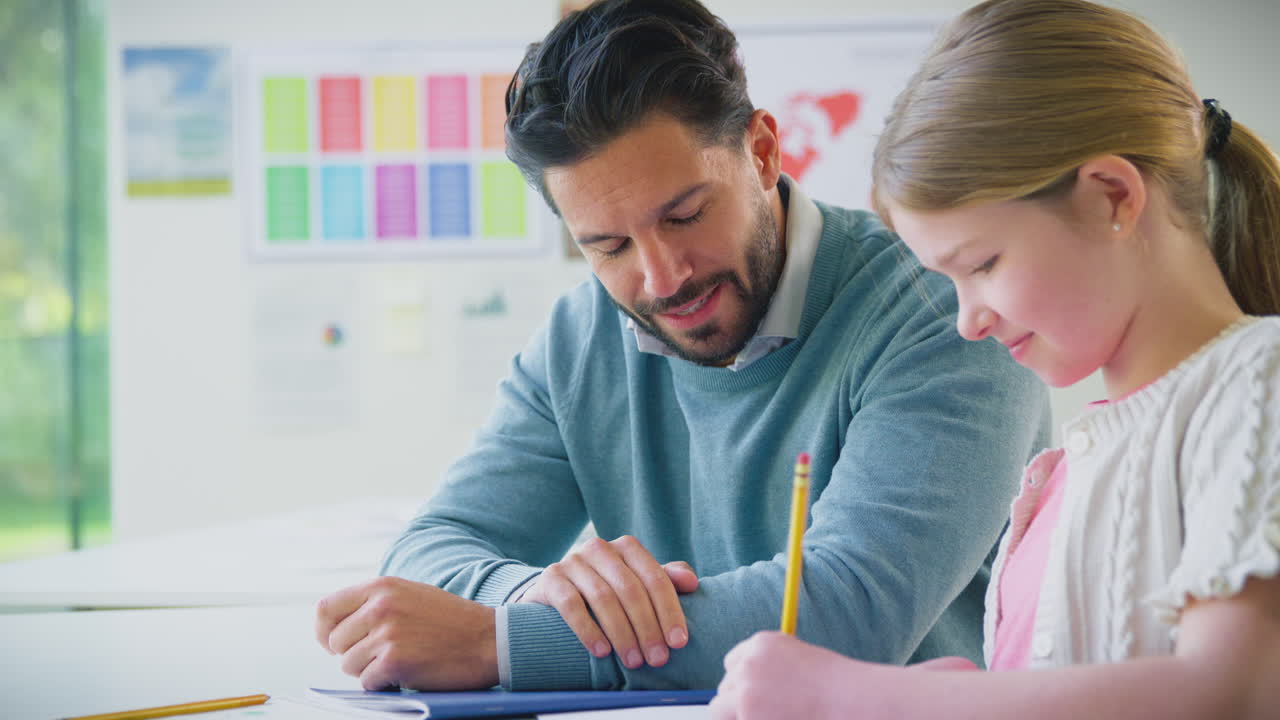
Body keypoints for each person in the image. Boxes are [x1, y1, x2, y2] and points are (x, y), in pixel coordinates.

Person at [313, 0, 1049, 692]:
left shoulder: (942, 306)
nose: (663, 277)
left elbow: (847, 612)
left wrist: (499, 643)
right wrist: (540, 593)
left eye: (687, 215)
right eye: (607, 246)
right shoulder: (580, 338)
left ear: (762, 153)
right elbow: (432, 548)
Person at [710, 0, 1280, 717]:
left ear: (1111, 196)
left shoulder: (1259, 381)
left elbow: (1235, 691)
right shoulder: (1068, 472)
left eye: (982, 263)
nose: (967, 321)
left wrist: (851, 693)